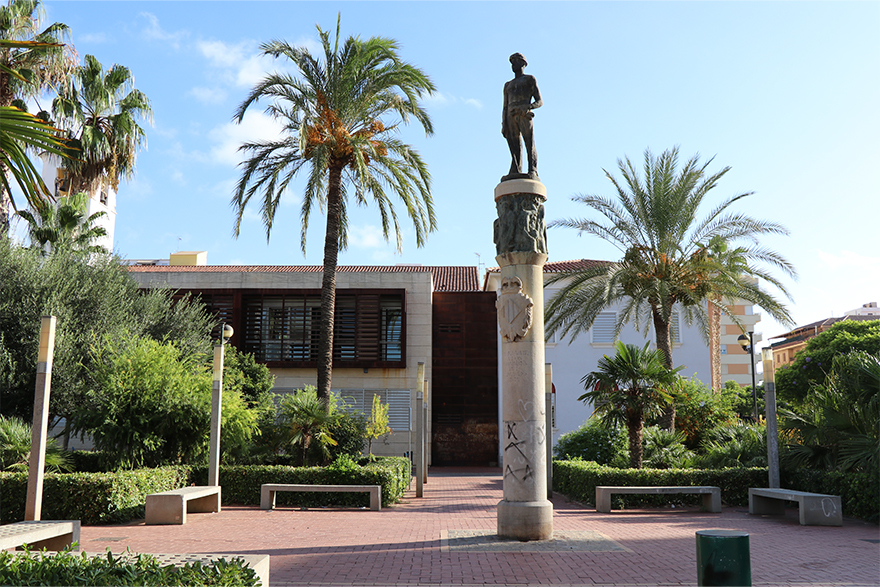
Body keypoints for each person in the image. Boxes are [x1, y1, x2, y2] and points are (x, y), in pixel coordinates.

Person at [501, 53, 543, 181]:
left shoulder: (529, 79)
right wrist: (504, 123)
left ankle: (532, 169)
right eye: (512, 62)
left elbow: (539, 101)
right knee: (514, 145)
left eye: (516, 61)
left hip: (524, 113)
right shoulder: (507, 85)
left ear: (523, 64)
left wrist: (529, 106)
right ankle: (515, 168)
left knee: (529, 142)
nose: (513, 64)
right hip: (510, 114)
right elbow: (505, 105)